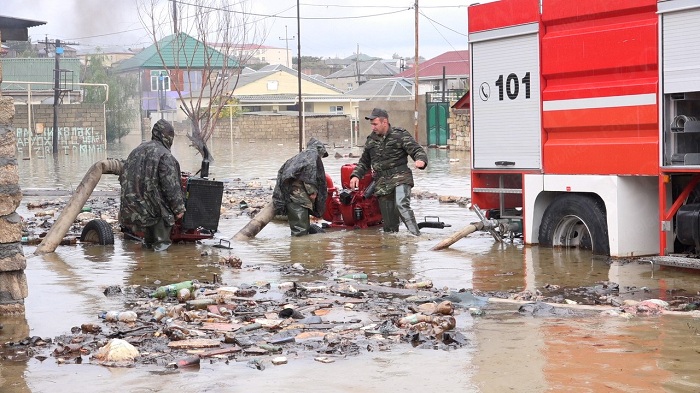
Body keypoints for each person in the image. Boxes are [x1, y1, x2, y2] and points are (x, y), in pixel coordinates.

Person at [349, 108, 427, 236]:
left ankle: (415, 236)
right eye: (372, 125)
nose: (373, 127)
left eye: (375, 124)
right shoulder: (371, 140)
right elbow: (364, 162)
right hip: (382, 182)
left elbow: (417, 150)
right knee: (389, 223)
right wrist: (356, 175)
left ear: (384, 122)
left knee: (401, 204)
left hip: (400, 177)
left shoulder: (399, 134)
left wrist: (420, 160)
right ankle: (391, 248)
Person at [119, 119, 186, 251]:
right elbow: (171, 186)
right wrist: (179, 209)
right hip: (155, 212)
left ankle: (146, 270)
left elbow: (123, 178)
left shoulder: (136, 151)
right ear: (168, 137)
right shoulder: (165, 155)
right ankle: (157, 270)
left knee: (148, 244)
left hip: (132, 210)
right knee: (161, 247)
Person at [272, 137, 329, 236]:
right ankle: (299, 249)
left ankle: (304, 248)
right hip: (298, 196)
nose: (321, 157)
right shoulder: (312, 155)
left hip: (291, 193)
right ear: (320, 149)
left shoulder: (299, 156)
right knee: (300, 231)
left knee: (302, 226)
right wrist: (312, 192)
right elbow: (308, 174)